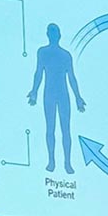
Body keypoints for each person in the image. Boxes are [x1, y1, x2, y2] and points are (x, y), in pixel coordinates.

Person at [28, 23, 86, 174]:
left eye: (55, 33)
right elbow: (38, 73)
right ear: (49, 35)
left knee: (66, 130)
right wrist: (34, 91)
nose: (53, 35)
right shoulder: (42, 52)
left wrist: (78, 97)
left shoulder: (66, 55)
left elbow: (72, 78)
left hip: (63, 94)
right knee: (50, 129)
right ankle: (52, 161)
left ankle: (67, 163)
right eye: (51, 33)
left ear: (58, 36)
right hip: (49, 94)